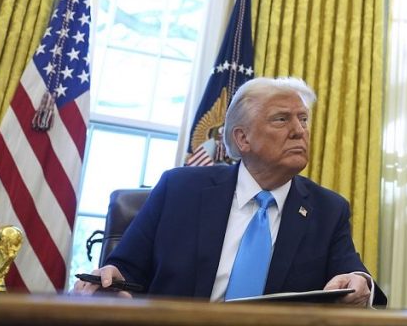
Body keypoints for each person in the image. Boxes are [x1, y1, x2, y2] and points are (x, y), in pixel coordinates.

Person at [73, 76, 382, 306]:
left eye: (303, 119)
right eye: (281, 119)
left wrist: (359, 282)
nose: (300, 130)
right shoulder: (179, 190)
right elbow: (125, 268)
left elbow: (352, 273)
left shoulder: (328, 210)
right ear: (242, 138)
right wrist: (110, 279)